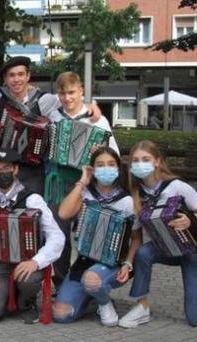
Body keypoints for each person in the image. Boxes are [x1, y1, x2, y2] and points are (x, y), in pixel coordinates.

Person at [118, 140, 197, 328]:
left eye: (145, 159)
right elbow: (137, 238)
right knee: (144, 253)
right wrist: (128, 263)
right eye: (135, 160)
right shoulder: (137, 195)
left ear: (157, 161)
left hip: (195, 251)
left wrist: (191, 219)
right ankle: (141, 306)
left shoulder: (176, 186)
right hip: (168, 247)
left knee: (196, 317)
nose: (140, 164)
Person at [0, 57, 102, 195]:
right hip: (1, 168)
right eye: (11, 75)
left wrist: (90, 104)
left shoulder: (44, 99)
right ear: (5, 79)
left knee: (33, 211)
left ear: (28, 76)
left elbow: (69, 101)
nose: (16, 79)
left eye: (21, 74)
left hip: (32, 171)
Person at [44, 72, 120, 285]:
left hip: (87, 184)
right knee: (58, 233)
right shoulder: (54, 116)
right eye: (62, 93)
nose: (67, 98)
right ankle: (60, 280)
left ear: (81, 92)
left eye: (71, 92)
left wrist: (100, 152)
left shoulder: (98, 120)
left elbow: (113, 154)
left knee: (87, 232)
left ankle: (87, 280)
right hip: (58, 184)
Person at [52, 147, 141, 326]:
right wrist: (83, 181)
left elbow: (137, 238)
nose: (106, 168)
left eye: (111, 164)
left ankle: (104, 303)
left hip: (113, 264)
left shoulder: (126, 201)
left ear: (118, 168)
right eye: (100, 165)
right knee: (62, 315)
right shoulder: (85, 194)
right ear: (93, 169)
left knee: (92, 279)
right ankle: (91, 297)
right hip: (84, 262)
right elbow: (63, 213)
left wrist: (128, 263)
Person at [0, 148, 64, 323]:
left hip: (28, 264)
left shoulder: (32, 199)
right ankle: (7, 293)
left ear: (16, 169)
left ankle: (26, 301)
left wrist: (36, 261)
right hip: (0, 264)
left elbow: (56, 236)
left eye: (6, 168)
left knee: (28, 280)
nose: (2, 173)